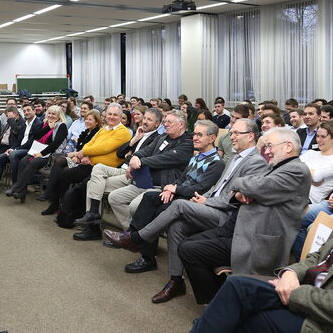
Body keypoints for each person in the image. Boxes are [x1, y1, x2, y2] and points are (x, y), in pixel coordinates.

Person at [104, 119, 267, 303]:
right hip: (208, 203)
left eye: (236, 133)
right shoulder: (235, 158)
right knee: (176, 226)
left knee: (178, 205)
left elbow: (235, 197)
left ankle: (136, 238)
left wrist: (206, 200)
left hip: (225, 215)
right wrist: (184, 191)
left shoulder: (254, 162)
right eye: (232, 133)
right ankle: (176, 281)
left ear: (251, 136)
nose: (232, 137)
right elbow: (216, 188)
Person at [178, 127, 310, 305]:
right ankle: (220, 299)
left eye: (270, 146)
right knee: (185, 244)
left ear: (288, 146)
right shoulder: (277, 166)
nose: (266, 151)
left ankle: (216, 303)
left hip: (256, 239)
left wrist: (240, 186)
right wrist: (240, 192)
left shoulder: (296, 170)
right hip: (238, 227)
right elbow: (251, 186)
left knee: (189, 250)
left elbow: (253, 185)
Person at [122, 120, 225, 273]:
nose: (194, 138)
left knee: (158, 211)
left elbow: (201, 189)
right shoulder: (196, 157)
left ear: (212, 138)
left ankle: (144, 254)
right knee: (149, 197)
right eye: (194, 134)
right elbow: (182, 178)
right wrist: (170, 189)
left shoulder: (217, 163)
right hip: (179, 193)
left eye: (199, 135)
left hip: (192, 200)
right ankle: (131, 236)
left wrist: (175, 189)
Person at [189, 234, 333, 333]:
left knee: (248, 317)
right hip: (306, 290)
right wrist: (290, 272)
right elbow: (319, 256)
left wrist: (296, 292)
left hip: (321, 317)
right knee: (236, 286)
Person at [72, 108, 161, 240]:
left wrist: (129, 157)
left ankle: (130, 234)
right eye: (145, 118)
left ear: (157, 124)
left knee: (93, 180)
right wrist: (134, 139)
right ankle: (93, 224)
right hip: (122, 170)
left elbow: (140, 160)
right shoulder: (139, 133)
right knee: (93, 180)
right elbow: (120, 153)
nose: (145, 122)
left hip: (135, 175)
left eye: (150, 120)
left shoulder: (157, 139)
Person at [107, 110, 194, 231]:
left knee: (134, 207)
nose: (165, 124)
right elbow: (146, 150)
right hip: (144, 181)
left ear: (181, 124)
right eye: (165, 122)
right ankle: (131, 233)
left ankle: (137, 235)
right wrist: (135, 157)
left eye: (169, 122)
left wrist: (139, 162)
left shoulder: (187, 143)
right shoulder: (162, 137)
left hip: (161, 186)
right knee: (114, 197)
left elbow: (163, 159)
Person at [40, 110, 102, 215]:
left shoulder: (97, 133)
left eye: (90, 120)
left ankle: (58, 203)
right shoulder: (86, 132)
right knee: (58, 162)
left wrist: (77, 156)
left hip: (86, 162)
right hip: (77, 158)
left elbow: (91, 151)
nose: (87, 121)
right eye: (86, 119)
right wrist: (76, 155)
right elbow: (79, 148)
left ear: (96, 122)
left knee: (63, 171)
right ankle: (53, 201)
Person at [5, 105, 68, 201]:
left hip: (51, 154)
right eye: (49, 113)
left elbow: (55, 145)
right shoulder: (45, 123)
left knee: (33, 163)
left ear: (59, 116)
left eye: (54, 114)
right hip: (37, 150)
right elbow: (36, 136)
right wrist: (48, 127)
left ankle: (16, 188)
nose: (51, 116)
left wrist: (41, 153)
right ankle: (21, 193)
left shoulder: (62, 126)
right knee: (23, 161)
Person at [300, 121, 333, 204]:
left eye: (323, 137)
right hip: (293, 191)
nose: (318, 140)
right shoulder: (310, 153)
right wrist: (311, 179)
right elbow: (292, 167)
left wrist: (302, 171)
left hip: (309, 199)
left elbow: (316, 177)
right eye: (317, 136)